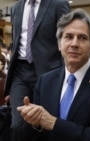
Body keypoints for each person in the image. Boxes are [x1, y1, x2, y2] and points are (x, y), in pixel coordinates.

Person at [17, 9, 90, 141]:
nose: (74, 44)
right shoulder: (45, 81)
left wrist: (54, 123)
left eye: (82, 38)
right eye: (68, 37)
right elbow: (35, 135)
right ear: (59, 44)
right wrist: (35, 123)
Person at [5, 0, 70, 139]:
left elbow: (66, 38)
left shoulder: (58, 4)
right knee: (18, 125)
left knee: (46, 123)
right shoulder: (16, 8)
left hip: (49, 71)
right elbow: (16, 42)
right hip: (20, 71)